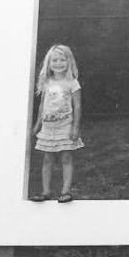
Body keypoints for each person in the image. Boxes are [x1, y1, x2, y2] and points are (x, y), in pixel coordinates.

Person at [29, 44, 84, 203]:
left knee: (66, 158)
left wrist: (75, 127)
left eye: (62, 59)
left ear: (69, 62)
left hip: (65, 127)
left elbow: (78, 106)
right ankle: (45, 192)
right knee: (47, 159)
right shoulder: (47, 82)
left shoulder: (72, 83)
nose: (58, 63)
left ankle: (65, 191)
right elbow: (42, 106)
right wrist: (37, 125)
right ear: (49, 63)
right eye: (55, 60)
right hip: (48, 128)